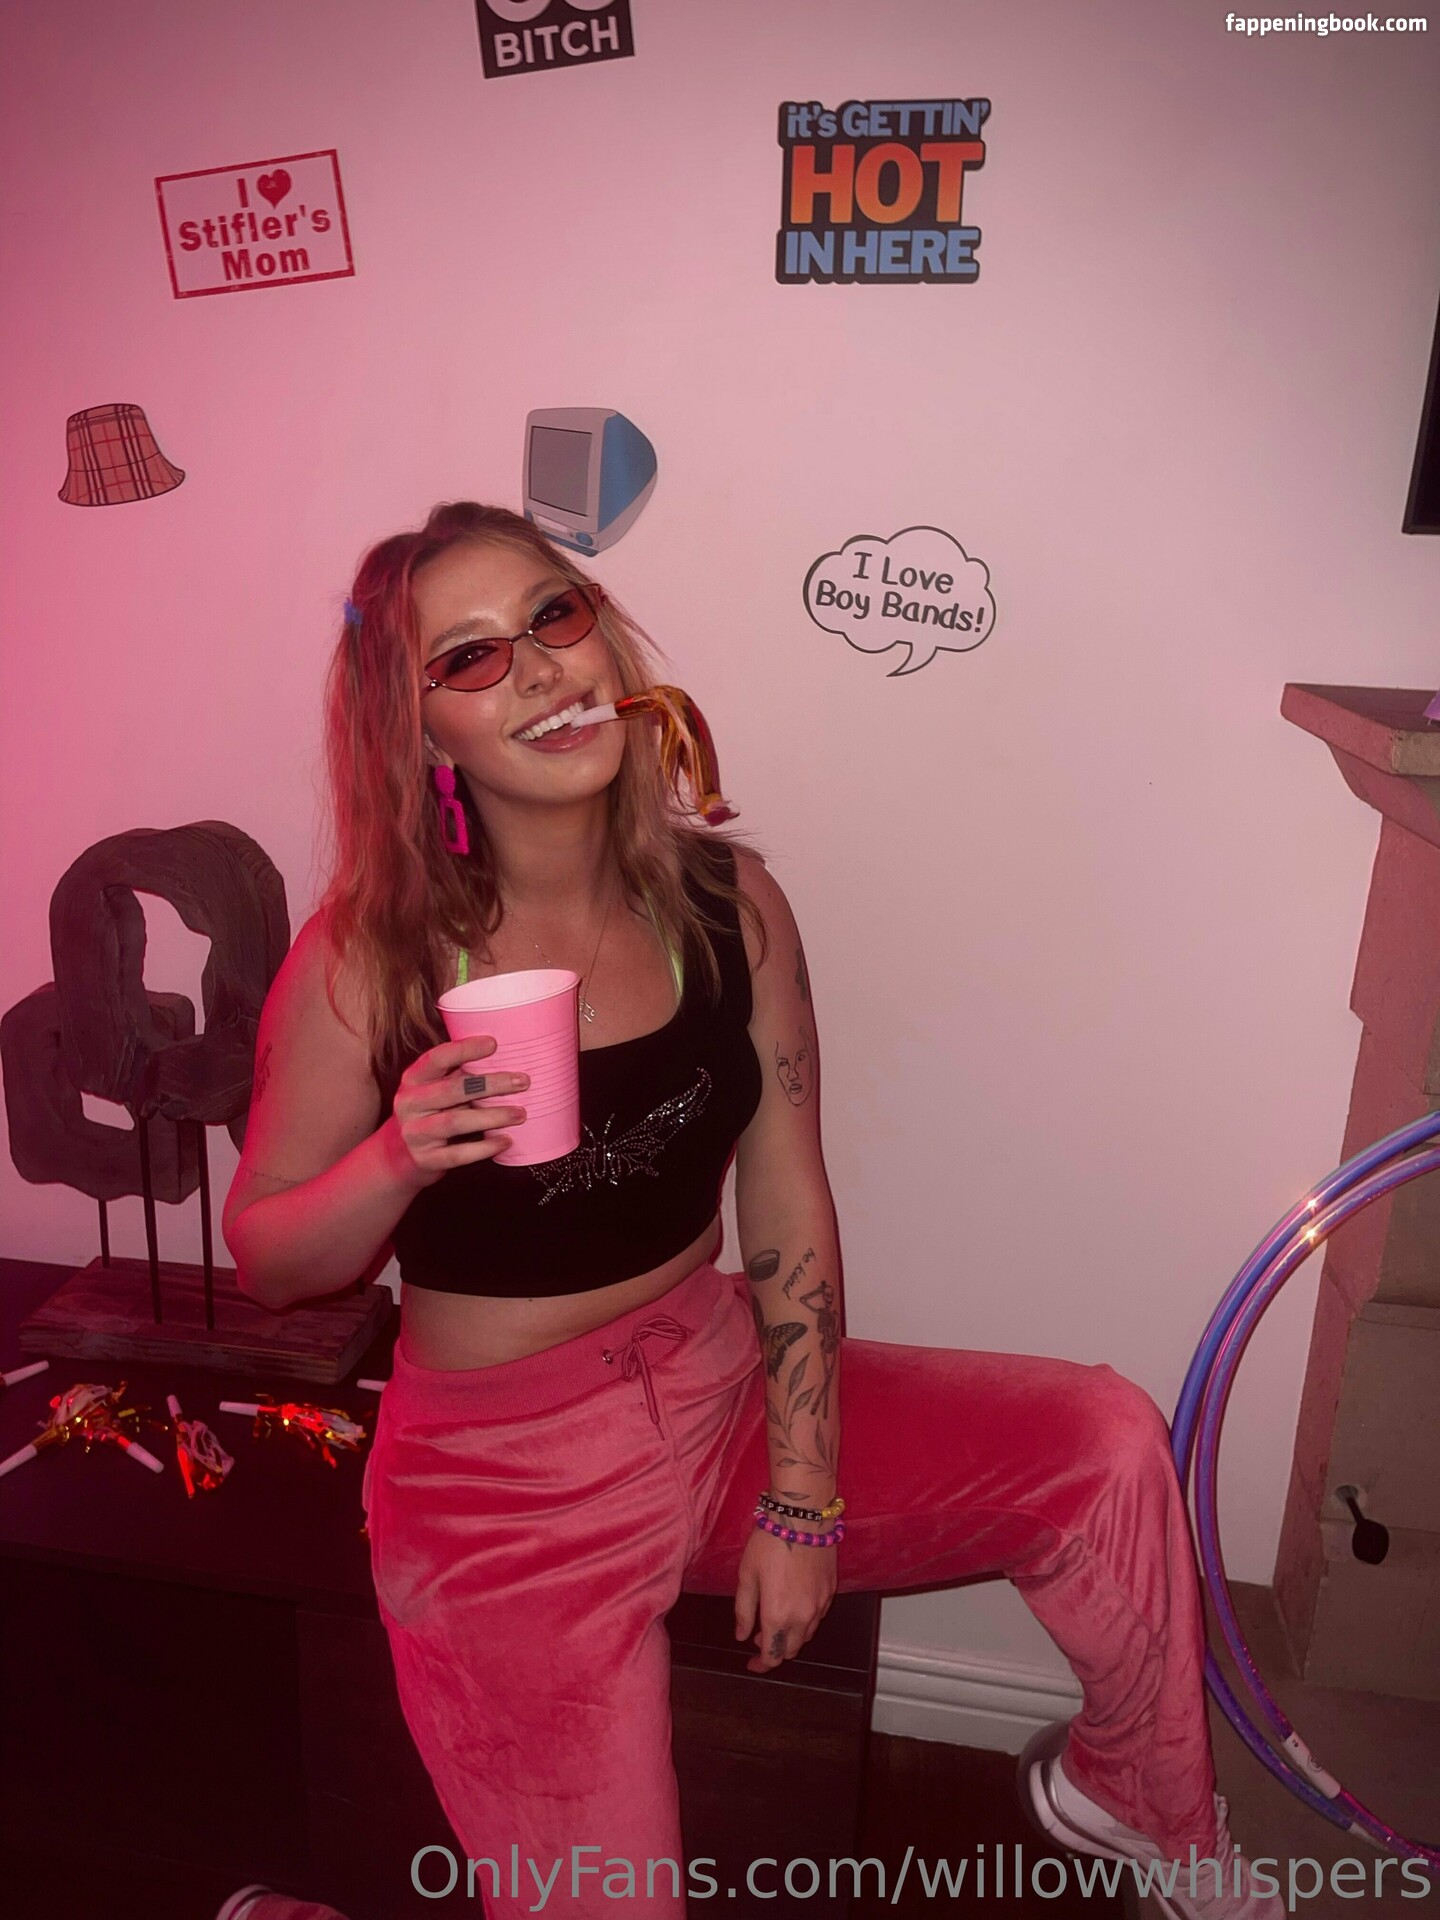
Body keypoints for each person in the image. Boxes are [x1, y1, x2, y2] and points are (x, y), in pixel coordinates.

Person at [224, 502, 1281, 1920]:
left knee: (1102, 1443)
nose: (537, 669)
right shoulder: (369, 957)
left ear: (604, 640)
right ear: (420, 731)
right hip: (499, 1490)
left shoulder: (732, 904)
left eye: (552, 616)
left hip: (714, 1386)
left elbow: (785, 1198)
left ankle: (1144, 1800)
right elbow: (269, 1256)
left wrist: (805, 1489)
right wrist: (397, 1159)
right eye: (468, 657)